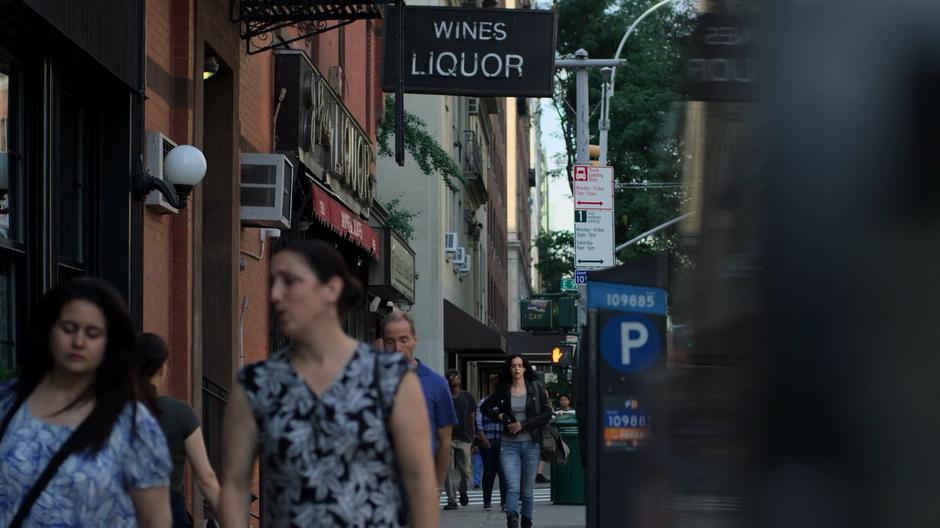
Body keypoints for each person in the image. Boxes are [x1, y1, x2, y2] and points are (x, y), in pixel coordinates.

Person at [219, 240, 438, 527]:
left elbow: (419, 478)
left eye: (290, 281)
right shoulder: (255, 384)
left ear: (331, 289)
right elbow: (235, 485)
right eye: (274, 282)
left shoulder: (390, 377)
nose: (275, 294)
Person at [0, 277, 172, 526]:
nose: (78, 342)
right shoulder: (8, 401)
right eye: (69, 329)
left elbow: (156, 521)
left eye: (92, 334)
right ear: (49, 330)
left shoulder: (133, 423)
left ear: (108, 343)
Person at [139, 332, 221, 527]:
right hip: (169, 511)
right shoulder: (180, 413)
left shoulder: (114, 411)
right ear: (162, 368)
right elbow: (206, 479)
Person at [381, 310, 458, 498]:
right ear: (383, 343)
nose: (397, 348)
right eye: (390, 341)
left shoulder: (437, 384)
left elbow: (444, 440)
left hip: (417, 482)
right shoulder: (369, 380)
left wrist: (437, 486)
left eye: (403, 340)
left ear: (415, 340)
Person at [481, 354, 553, 528]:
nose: (517, 369)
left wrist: (523, 424)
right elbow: (484, 407)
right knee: (512, 486)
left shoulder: (536, 388)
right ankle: (512, 522)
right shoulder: (503, 390)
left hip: (531, 444)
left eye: (520, 365)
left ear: (525, 368)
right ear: (509, 369)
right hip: (509, 445)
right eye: (513, 366)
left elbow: (547, 413)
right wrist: (499, 416)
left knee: (527, 490)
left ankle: (526, 522)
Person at [443, 368, 476, 510]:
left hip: (464, 437)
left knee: (466, 470)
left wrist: (474, 436)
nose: (453, 378)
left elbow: (472, 417)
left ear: (460, 379)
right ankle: (451, 499)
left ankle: (463, 491)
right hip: (447, 437)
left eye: (455, 376)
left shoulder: (467, 396)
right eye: (450, 376)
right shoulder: (443, 397)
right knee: (447, 469)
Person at [476, 375, 507, 512]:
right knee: (488, 472)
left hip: (503, 441)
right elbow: (478, 423)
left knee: (504, 472)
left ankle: (504, 503)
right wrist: (483, 439)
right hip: (488, 441)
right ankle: (487, 502)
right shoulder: (483, 402)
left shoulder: (506, 403)